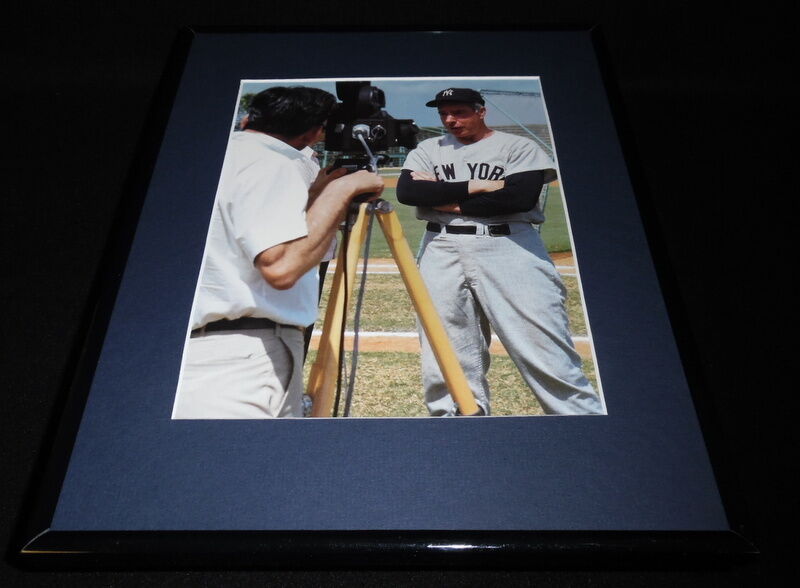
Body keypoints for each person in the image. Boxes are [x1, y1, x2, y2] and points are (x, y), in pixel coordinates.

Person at [172, 86, 383, 419]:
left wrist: (315, 197)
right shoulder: (274, 162)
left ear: (250, 118)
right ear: (316, 130)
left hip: (195, 350)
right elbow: (281, 267)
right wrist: (344, 189)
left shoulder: (210, 155)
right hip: (242, 361)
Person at [396, 87, 604, 416]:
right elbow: (408, 191)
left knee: (542, 348)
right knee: (444, 353)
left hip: (508, 246)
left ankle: (581, 422)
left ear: (481, 111)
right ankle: (460, 426)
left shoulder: (517, 146)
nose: (450, 120)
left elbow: (516, 199)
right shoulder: (428, 148)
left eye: (460, 112)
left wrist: (444, 198)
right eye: (444, 114)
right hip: (440, 246)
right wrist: (476, 186)